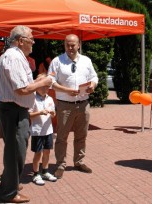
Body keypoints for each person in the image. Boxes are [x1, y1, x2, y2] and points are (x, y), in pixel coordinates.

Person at [0, 25, 53, 203]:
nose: (34, 42)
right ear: (21, 41)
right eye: (31, 39)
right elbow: (22, 89)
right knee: (16, 152)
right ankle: (9, 193)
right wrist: (45, 81)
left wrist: (37, 81)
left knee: (15, 149)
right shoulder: (14, 57)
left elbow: (23, 85)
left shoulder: (16, 56)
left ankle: (9, 182)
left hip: (15, 110)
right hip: (13, 110)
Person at [48, 34, 98, 179]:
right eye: (67, 45)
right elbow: (50, 81)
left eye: (73, 45)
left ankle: (79, 161)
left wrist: (93, 86)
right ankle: (60, 164)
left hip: (83, 104)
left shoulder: (86, 61)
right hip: (65, 105)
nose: (70, 48)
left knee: (81, 135)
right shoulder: (57, 61)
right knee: (62, 137)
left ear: (79, 45)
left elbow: (94, 77)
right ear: (64, 45)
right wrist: (67, 90)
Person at [29, 73, 57, 186]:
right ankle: (36, 174)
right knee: (38, 154)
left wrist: (53, 113)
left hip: (48, 131)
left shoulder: (50, 98)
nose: (46, 88)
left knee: (47, 152)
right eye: (43, 86)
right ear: (37, 86)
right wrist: (40, 112)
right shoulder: (32, 98)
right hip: (37, 131)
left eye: (47, 86)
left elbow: (53, 114)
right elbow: (29, 114)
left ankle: (45, 171)